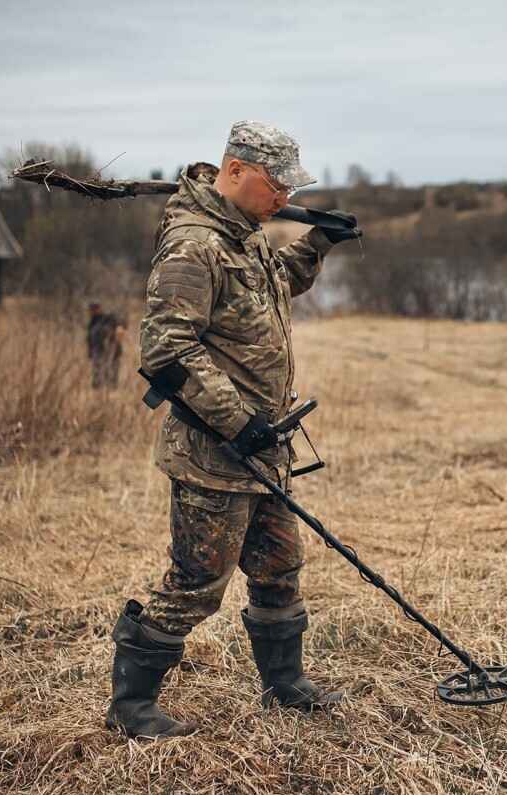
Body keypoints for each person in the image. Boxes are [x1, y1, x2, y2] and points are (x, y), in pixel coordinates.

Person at [105, 121, 362, 738]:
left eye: (290, 189)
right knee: (196, 584)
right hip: (215, 450)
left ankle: (285, 686)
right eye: (276, 186)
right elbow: (167, 349)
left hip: (263, 446)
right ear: (237, 170)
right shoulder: (194, 244)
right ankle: (131, 707)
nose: (282, 198)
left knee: (278, 568)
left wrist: (317, 243)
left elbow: (275, 288)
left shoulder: (244, 236)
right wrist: (237, 422)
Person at [86, 302, 125, 389]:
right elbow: (89, 338)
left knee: (111, 372)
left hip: (112, 351)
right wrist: (90, 352)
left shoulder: (108, 318)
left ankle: (111, 391)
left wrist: (119, 327)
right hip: (97, 351)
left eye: (93, 310)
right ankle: (98, 391)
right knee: (97, 372)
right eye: (90, 310)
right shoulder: (92, 322)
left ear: (99, 309)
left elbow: (120, 322)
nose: (91, 312)